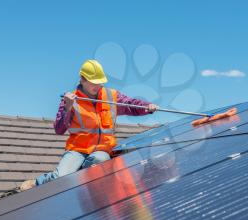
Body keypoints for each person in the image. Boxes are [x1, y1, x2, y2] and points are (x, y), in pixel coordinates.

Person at [20, 60, 158, 191]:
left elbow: (130, 105)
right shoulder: (71, 99)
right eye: (93, 83)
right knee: (61, 178)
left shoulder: (111, 96)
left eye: (100, 83)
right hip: (78, 149)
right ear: (82, 79)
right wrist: (67, 108)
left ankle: (81, 172)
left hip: (102, 149)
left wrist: (146, 107)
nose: (97, 86)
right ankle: (37, 182)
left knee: (100, 161)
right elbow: (59, 129)